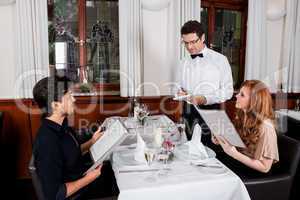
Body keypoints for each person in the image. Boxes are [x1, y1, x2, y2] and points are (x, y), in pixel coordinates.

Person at [32, 76, 117, 200]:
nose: (74, 99)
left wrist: (92, 141)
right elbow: (55, 194)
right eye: (69, 96)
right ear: (55, 105)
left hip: (84, 176)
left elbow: (70, 153)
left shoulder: (62, 125)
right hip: (79, 193)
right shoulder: (47, 142)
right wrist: (89, 178)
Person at [176, 20, 233, 142]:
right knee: (190, 151)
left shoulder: (220, 60)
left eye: (193, 42)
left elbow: (228, 91)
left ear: (202, 38)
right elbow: (178, 86)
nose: (189, 47)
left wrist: (205, 98)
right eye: (185, 43)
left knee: (211, 154)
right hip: (188, 113)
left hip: (212, 114)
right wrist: (180, 92)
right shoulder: (183, 62)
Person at [212, 80, 279, 173]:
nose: (236, 96)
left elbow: (265, 167)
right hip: (238, 164)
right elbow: (237, 143)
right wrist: (220, 139)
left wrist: (233, 153)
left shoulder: (266, 127)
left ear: (254, 101)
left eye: (242, 95)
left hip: (254, 174)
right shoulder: (242, 116)